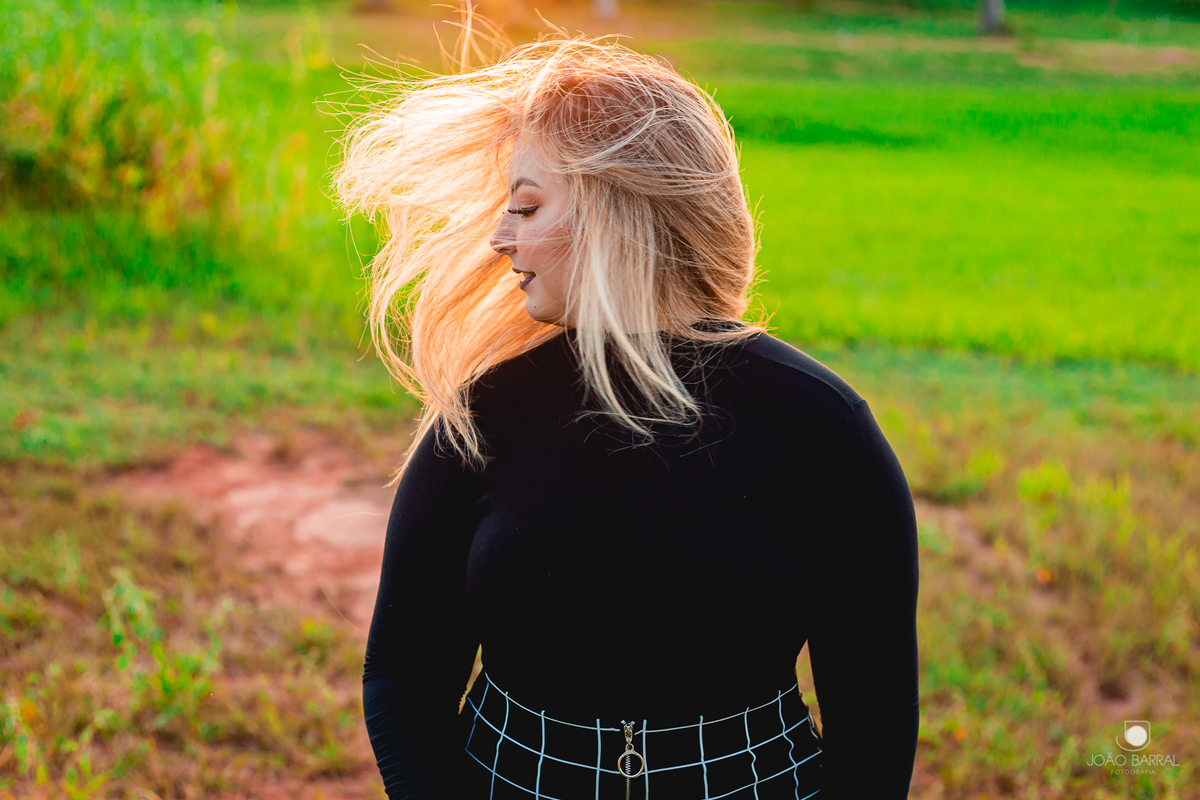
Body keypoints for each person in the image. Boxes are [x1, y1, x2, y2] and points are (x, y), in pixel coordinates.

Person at [333, 8, 919, 799]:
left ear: (618, 209)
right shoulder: (482, 418)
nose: (500, 238)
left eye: (526, 206)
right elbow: (402, 676)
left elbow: (874, 724)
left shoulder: (821, 428)